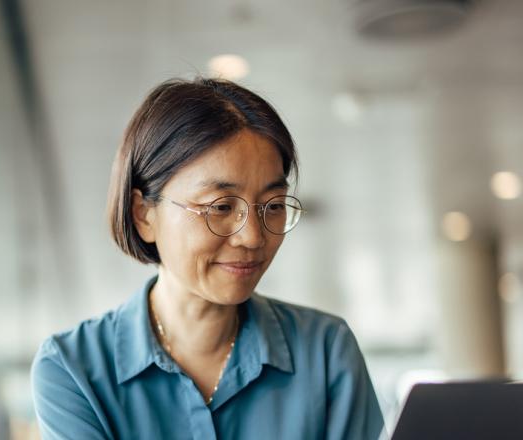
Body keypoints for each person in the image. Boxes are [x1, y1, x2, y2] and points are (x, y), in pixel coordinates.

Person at [31, 77, 385, 439]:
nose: (253, 237)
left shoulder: (326, 351)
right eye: (220, 207)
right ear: (143, 214)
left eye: (273, 205)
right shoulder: (73, 369)